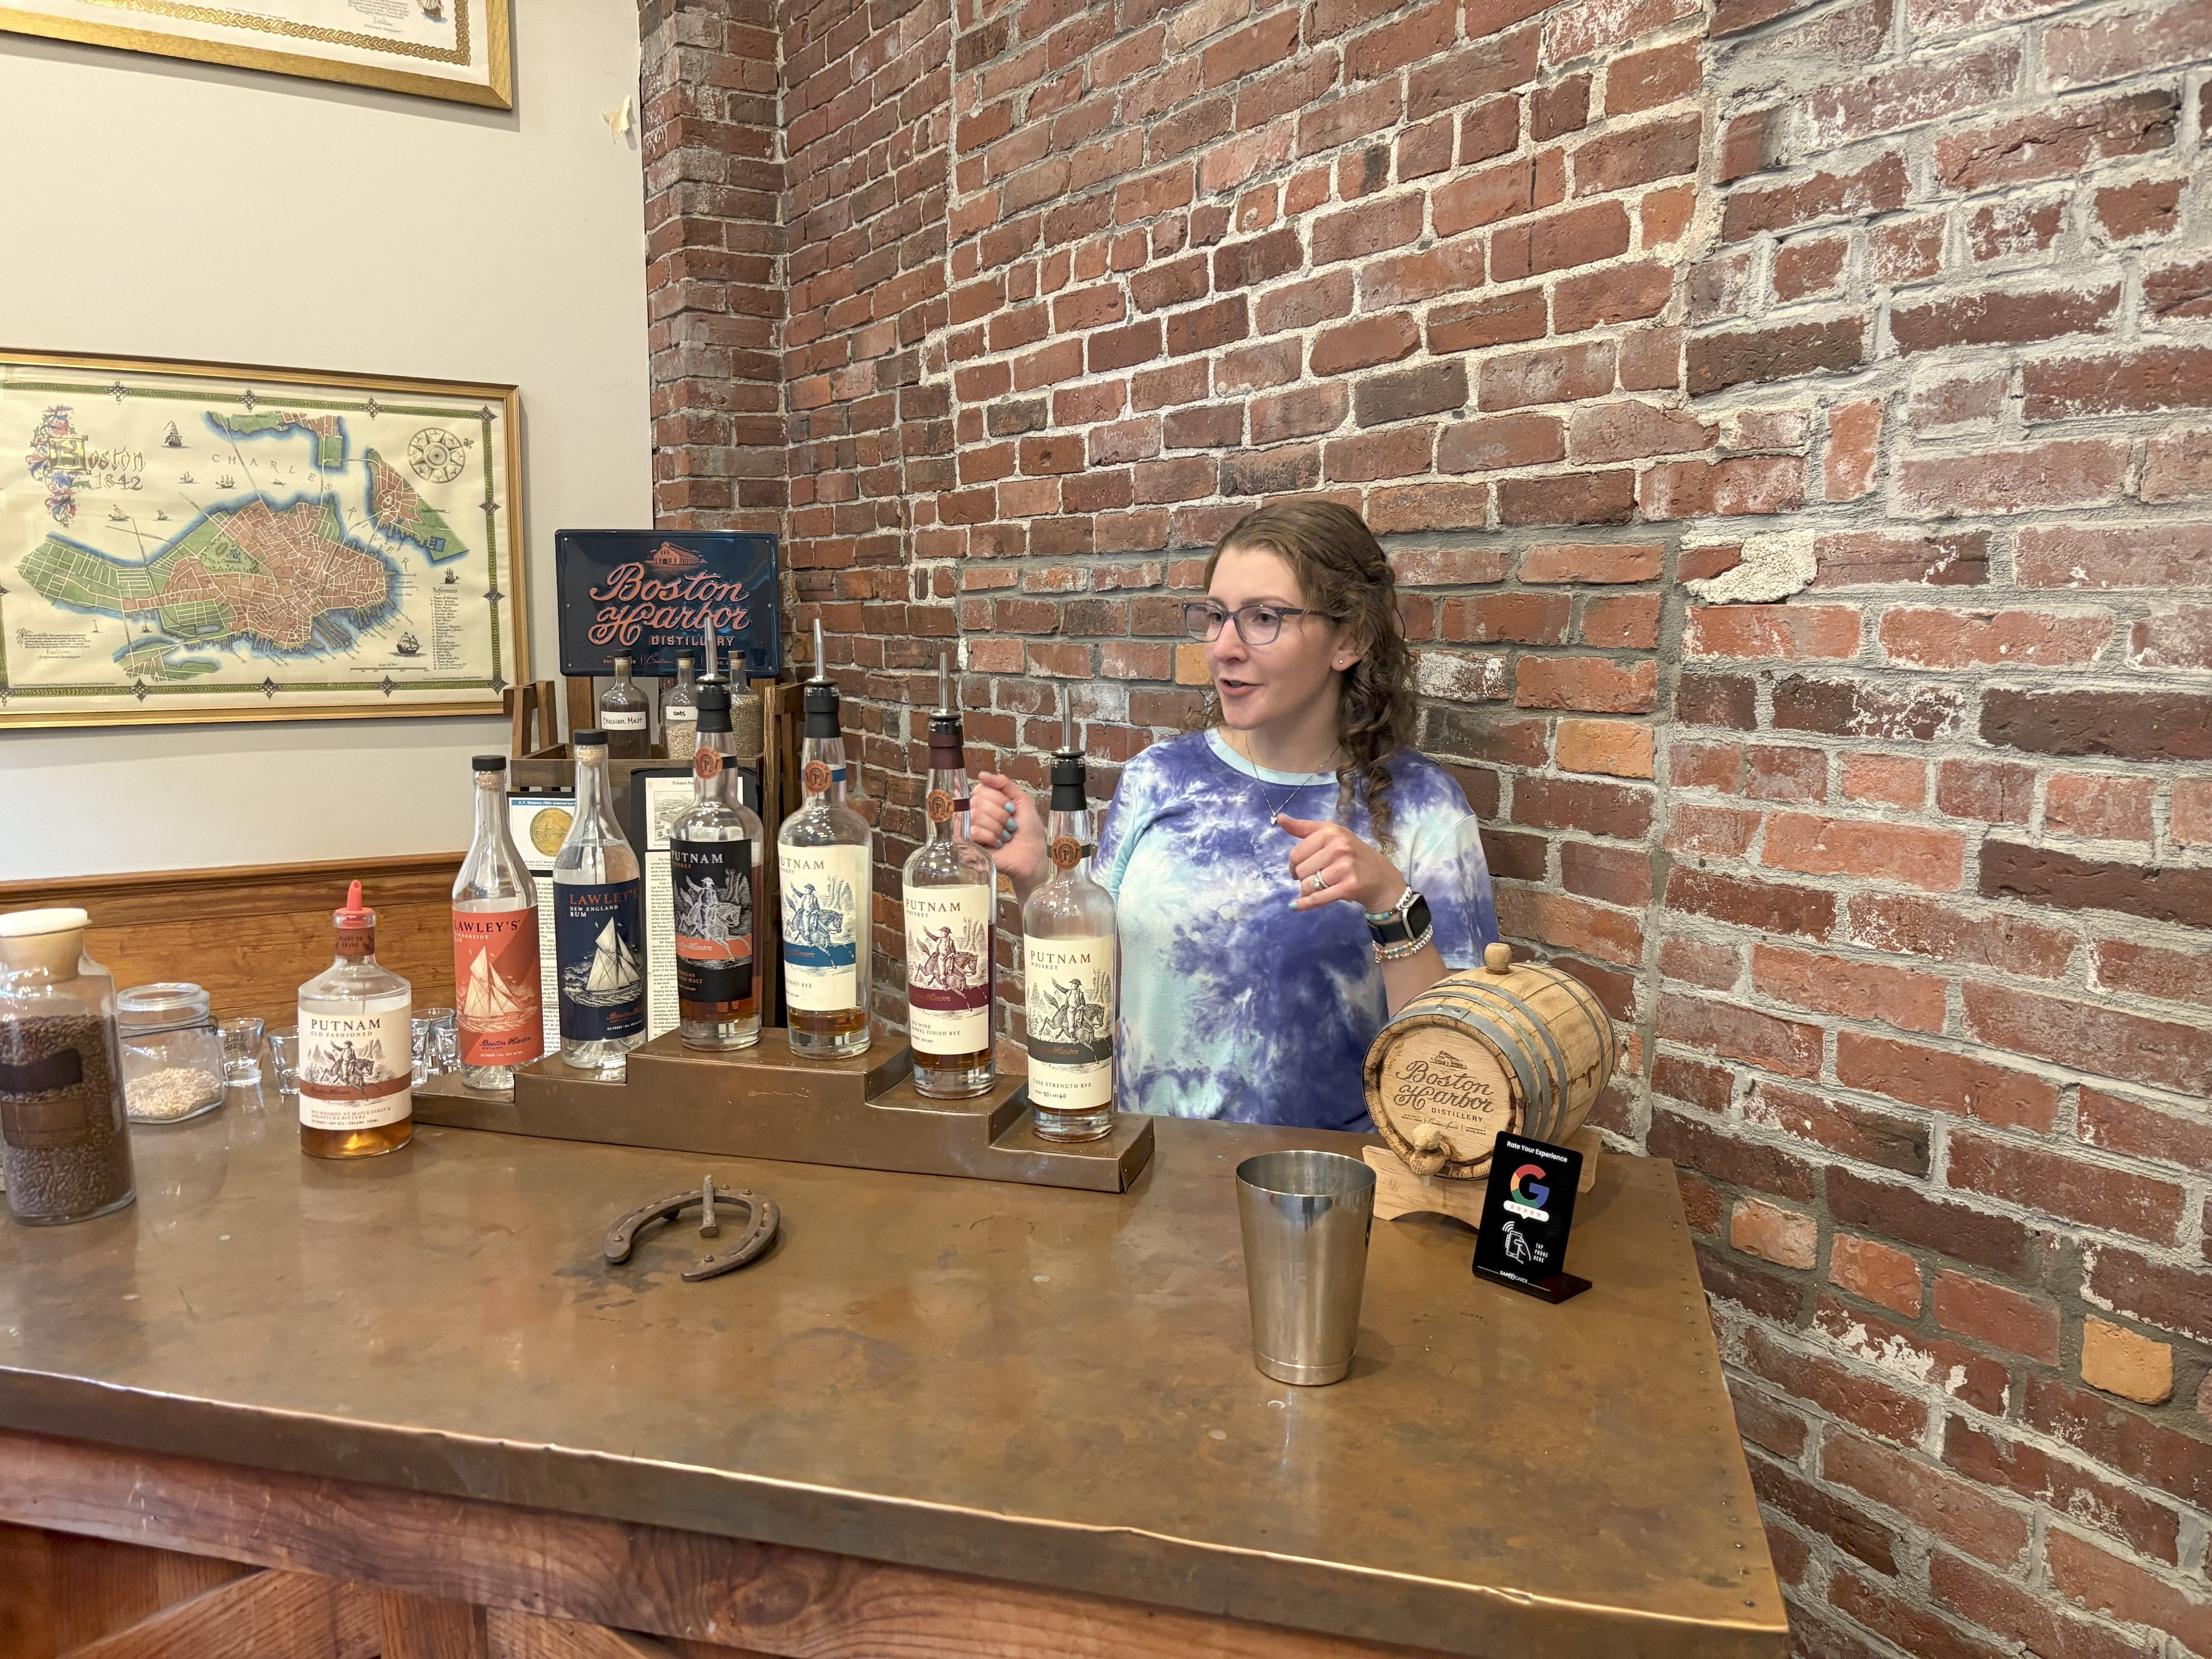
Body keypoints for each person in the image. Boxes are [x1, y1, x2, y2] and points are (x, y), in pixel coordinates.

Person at [970, 500, 1499, 1133]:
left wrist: (1390, 902)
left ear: (1350, 640)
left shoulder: (1425, 810)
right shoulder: (1159, 777)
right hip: (1142, 1165)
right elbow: (1096, 990)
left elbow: (1457, 1073)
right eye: (1216, 616)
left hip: (1313, 1195)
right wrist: (1038, 882)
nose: (1224, 648)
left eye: (1264, 619)